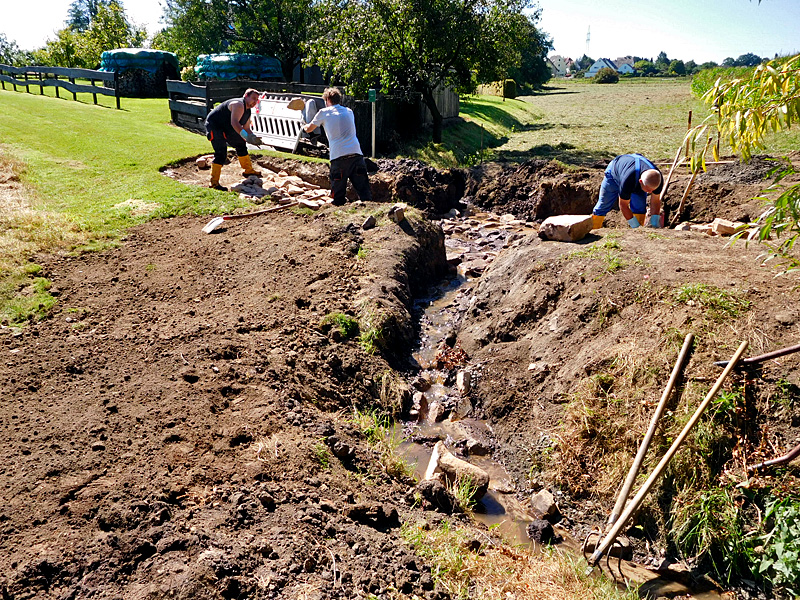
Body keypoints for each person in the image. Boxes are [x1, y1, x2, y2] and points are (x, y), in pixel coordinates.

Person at [303, 87, 371, 206]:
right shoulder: (349, 111)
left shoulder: (323, 113)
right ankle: (370, 212)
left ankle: (337, 216)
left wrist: (303, 125)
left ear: (327, 100)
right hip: (356, 154)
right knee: (364, 191)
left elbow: (310, 129)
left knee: (338, 195)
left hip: (338, 156)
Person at [205, 88, 263, 191]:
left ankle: (248, 170)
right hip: (215, 126)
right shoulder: (238, 104)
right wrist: (246, 136)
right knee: (221, 152)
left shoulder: (248, 111)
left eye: (256, 100)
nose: (255, 102)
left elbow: (246, 128)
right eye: (253, 98)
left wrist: (253, 138)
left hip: (227, 127)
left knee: (241, 144)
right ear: (246, 96)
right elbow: (235, 123)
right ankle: (214, 183)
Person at [591, 153, 663, 229]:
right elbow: (623, 205)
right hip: (614, 171)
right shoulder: (627, 180)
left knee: (640, 207)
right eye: (648, 189)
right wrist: (636, 227)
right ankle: (594, 228)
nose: (650, 192)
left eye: (653, 190)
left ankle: (638, 235)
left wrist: (654, 222)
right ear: (641, 181)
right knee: (604, 203)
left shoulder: (657, 179)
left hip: (636, 175)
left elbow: (655, 201)